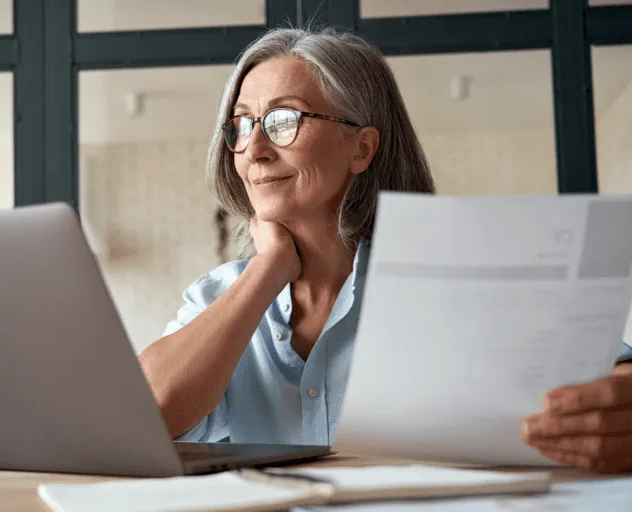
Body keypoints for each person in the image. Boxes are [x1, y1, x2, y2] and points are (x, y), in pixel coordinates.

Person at [139, 27, 632, 472]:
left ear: (361, 147)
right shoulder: (216, 298)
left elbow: (608, 372)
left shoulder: (451, 277)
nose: (256, 149)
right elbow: (145, 416)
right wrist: (268, 269)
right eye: (242, 125)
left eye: (283, 120)